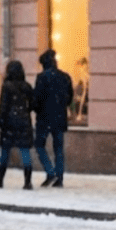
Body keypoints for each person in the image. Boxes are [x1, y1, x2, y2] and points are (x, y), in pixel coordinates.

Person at [32, 49, 74, 188]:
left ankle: (50, 172)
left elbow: (36, 99)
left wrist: (37, 109)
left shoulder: (42, 78)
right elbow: (69, 98)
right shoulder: (65, 77)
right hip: (60, 117)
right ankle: (59, 177)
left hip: (44, 118)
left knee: (39, 145)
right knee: (58, 149)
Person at [0, 59, 35, 190]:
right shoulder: (27, 86)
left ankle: (0, 179)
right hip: (24, 122)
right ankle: (27, 182)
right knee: (25, 151)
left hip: (9, 122)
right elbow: (33, 103)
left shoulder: (7, 86)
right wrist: (25, 111)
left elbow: (3, 107)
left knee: (5, 150)